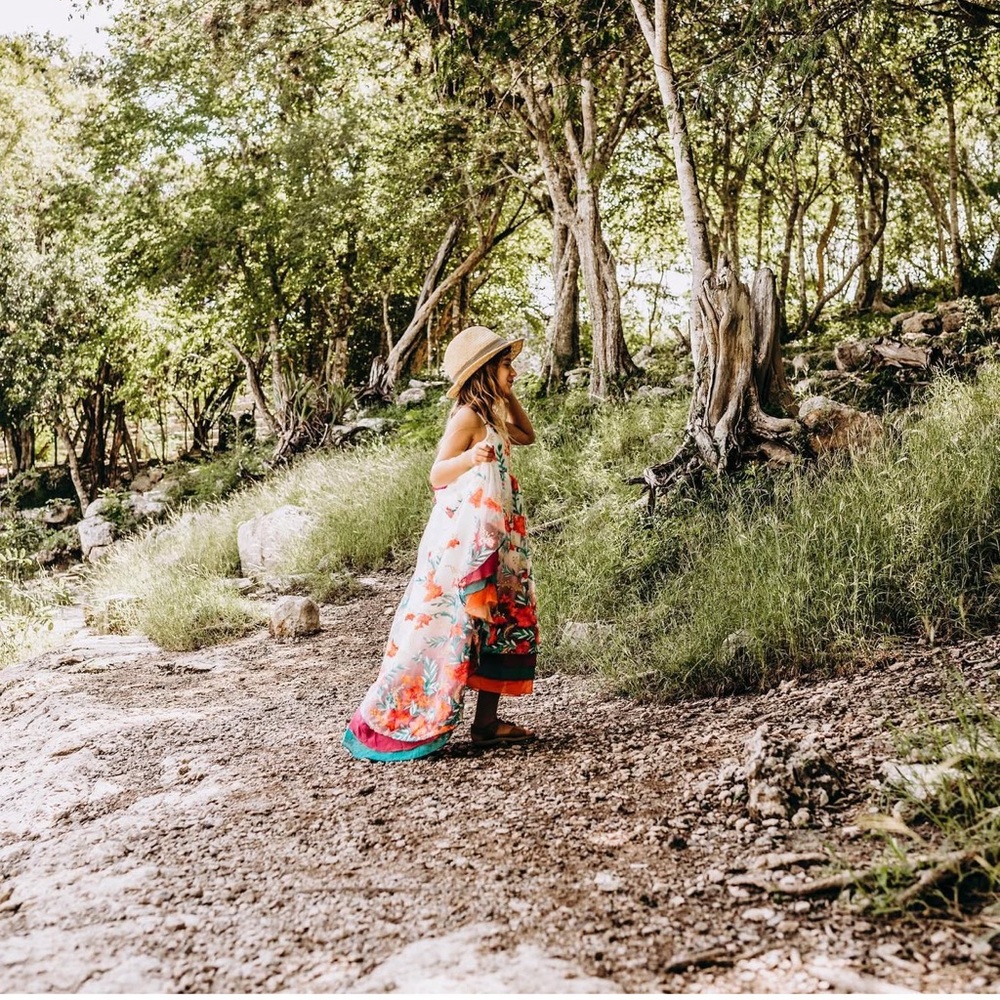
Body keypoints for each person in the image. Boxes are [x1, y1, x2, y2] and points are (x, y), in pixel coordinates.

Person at [343, 325, 539, 761]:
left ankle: (487, 724)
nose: (515, 371)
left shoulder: (491, 415)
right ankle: (398, 716)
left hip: (499, 535)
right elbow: (436, 474)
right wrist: (471, 457)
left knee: (501, 621)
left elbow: (526, 435)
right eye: (506, 365)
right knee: (447, 625)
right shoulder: (467, 416)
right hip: (465, 541)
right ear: (485, 371)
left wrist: (507, 395)